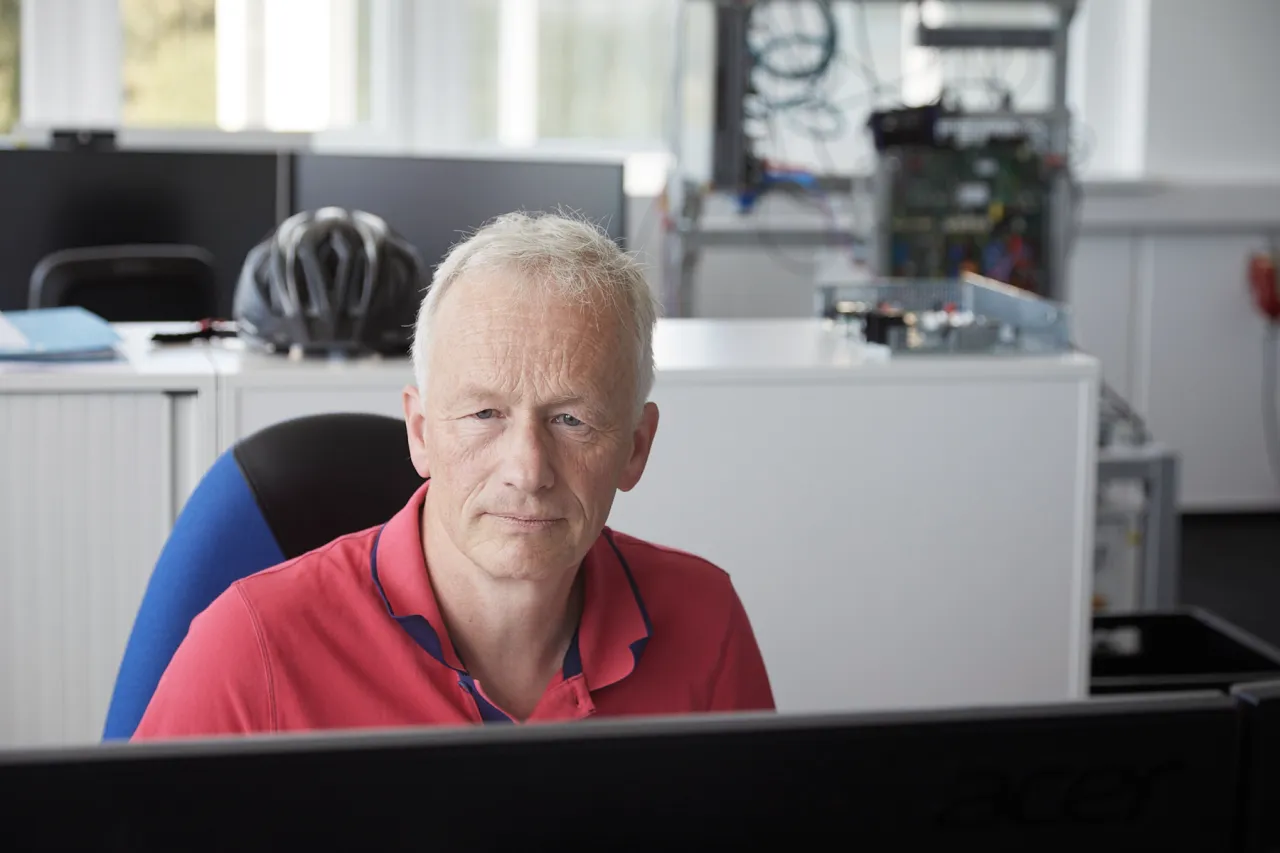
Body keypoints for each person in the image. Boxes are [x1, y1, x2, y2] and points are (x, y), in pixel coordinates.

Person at [133, 212, 774, 736]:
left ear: (636, 447)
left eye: (571, 420)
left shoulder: (705, 620)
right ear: (420, 433)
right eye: (484, 413)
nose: (527, 470)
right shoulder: (251, 647)